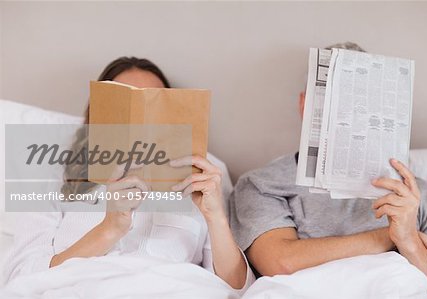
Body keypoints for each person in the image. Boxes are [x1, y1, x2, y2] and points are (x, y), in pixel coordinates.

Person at [4, 57, 254, 292]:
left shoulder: (204, 178)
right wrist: (110, 227)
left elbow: (237, 289)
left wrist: (215, 217)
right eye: (123, 107)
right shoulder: (55, 175)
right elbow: (22, 276)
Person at [229, 43, 427, 297]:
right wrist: (389, 237)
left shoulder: (419, 194)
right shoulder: (262, 184)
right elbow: (281, 264)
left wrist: (410, 240)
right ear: (306, 106)